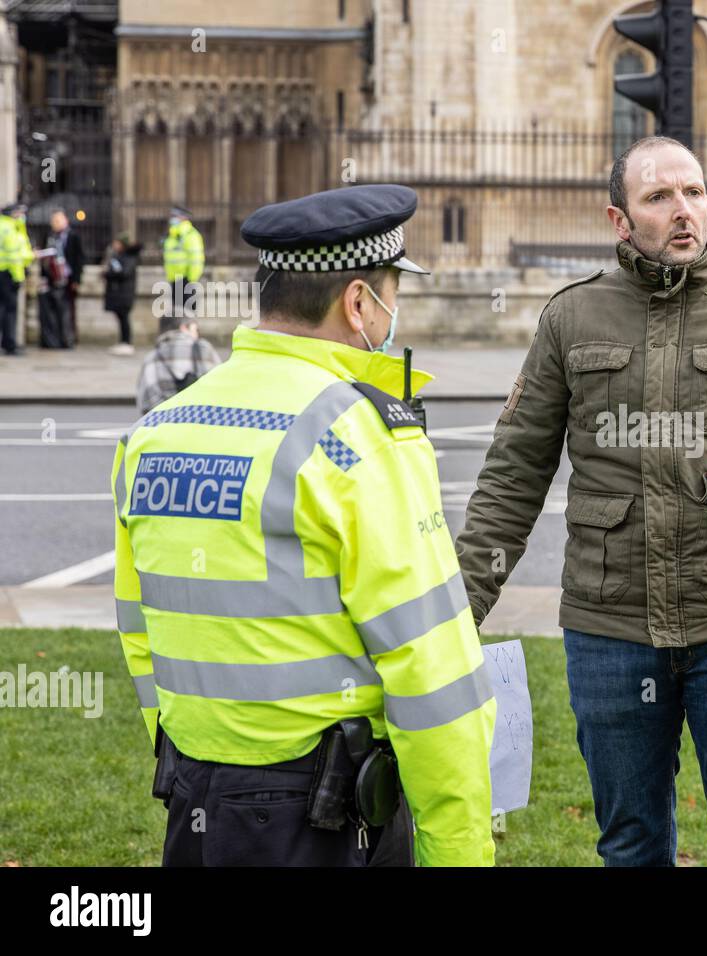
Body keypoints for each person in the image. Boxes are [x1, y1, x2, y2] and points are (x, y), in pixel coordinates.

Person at [455, 135, 707, 866]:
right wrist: (459, 616)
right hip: (610, 630)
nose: (685, 211)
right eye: (660, 196)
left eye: (695, 193)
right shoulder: (571, 321)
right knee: (630, 845)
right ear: (620, 219)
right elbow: (512, 478)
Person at [112, 184, 496, 867]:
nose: (392, 313)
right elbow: (433, 673)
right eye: (390, 294)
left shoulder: (154, 433)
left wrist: (196, 749)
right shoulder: (362, 437)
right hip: (322, 816)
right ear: (357, 302)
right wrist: (459, 852)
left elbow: (140, 627)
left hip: (194, 796)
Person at [134, 314, 222, 414]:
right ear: (184, 327)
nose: (198, 334)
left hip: (164, 423)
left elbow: (144, 404)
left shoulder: (151, 358)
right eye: (196, 329)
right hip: (201, 420)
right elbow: (221, 387)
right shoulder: (204, 349)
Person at [0, 202, 34, 356]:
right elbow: (14, 255)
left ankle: (8, 343)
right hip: (9, 274)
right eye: (19, 213)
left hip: (5, 272)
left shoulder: (7, 226)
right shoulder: (9, 228)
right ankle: (10, 344)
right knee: (10, 310)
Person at [48, 208, 85, 344]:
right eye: (54, 221)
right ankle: (58, 336)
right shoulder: (51, 237)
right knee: (55, 309)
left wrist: (77, 279)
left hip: (68, 277)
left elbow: (79, 259)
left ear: (65, 221)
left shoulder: (73, 236)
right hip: (54, 277)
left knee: (70, 309)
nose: (55, 223)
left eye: (58, 220)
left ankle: (70, 337)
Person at [162, 204, 204, 318]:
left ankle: (190, 334)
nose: (173, 218)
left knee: (188, 312)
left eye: (175, 216)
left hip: (187, 279)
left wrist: (192, 279)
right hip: (175, 278)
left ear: (184, 217)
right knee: (178, 312)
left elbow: (196, 259)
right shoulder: (172, 234)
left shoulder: (190, 234)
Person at [104, 233, 143, 355]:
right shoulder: (118, 256)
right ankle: (123, 342)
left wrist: (109, 274)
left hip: (125, 293)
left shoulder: (129, 257)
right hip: (119, 293)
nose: (114, 245)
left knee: (124, 318)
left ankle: (127, 342)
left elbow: (124, 273)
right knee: (121, 318)